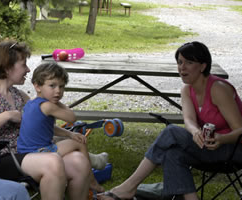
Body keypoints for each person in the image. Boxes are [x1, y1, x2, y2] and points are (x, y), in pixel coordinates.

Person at [97, 41, 242, 200]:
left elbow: (239, 129)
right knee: (173, 153)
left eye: (189, 62)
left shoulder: (218, 88)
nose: (182, 67)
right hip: (206, 147)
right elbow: (189, 120)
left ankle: (129, 187)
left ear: (202, 66)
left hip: (233, 150)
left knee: (171, 131)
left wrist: (221, 139)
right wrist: (195, 132)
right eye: (180, 62)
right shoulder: (187, 89)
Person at [0, 40, 91, 200]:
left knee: (78, 161)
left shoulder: (19, 95)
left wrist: (68, 134)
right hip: (0, 158)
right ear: (7, 67)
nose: (28, 69)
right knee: (52, 162)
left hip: (29, 151)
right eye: (23, 64)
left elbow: (37, 122)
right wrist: (7, 115)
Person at [17, 62, 104, 193]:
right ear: (37, 86)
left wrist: (69, 134)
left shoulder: (31, 104)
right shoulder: (48, 106)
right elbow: (72, 118)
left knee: (72, 139)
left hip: (25, 153)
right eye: (52, 86)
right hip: (41, 152)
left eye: (61, 87)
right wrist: (58, 102)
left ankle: (80, 174)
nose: (58, 91)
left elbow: (48, 127)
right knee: (79, 143)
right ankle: (92, 180)